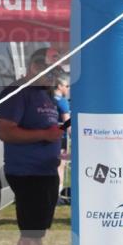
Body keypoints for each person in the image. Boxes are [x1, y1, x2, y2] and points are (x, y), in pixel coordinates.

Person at [0, 47, 66, 245]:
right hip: (27, 173)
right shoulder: (17, 91)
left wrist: (56, 143)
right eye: (52, 70)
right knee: (30, 233)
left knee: (38, 232)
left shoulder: (44, 94)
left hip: (46, 171)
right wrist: (43, 136)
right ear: (35, 67)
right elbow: (6, 132)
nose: (56, 76)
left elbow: (47, 131)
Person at [52, 72, 71, 203]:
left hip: (49, 137)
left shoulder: (48, 98)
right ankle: (57, 195)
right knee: (60, 166)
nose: (68, 88)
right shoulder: (63, 102)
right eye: (67, 85)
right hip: (61, 139)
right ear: (59, 86)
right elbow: (67, 123)